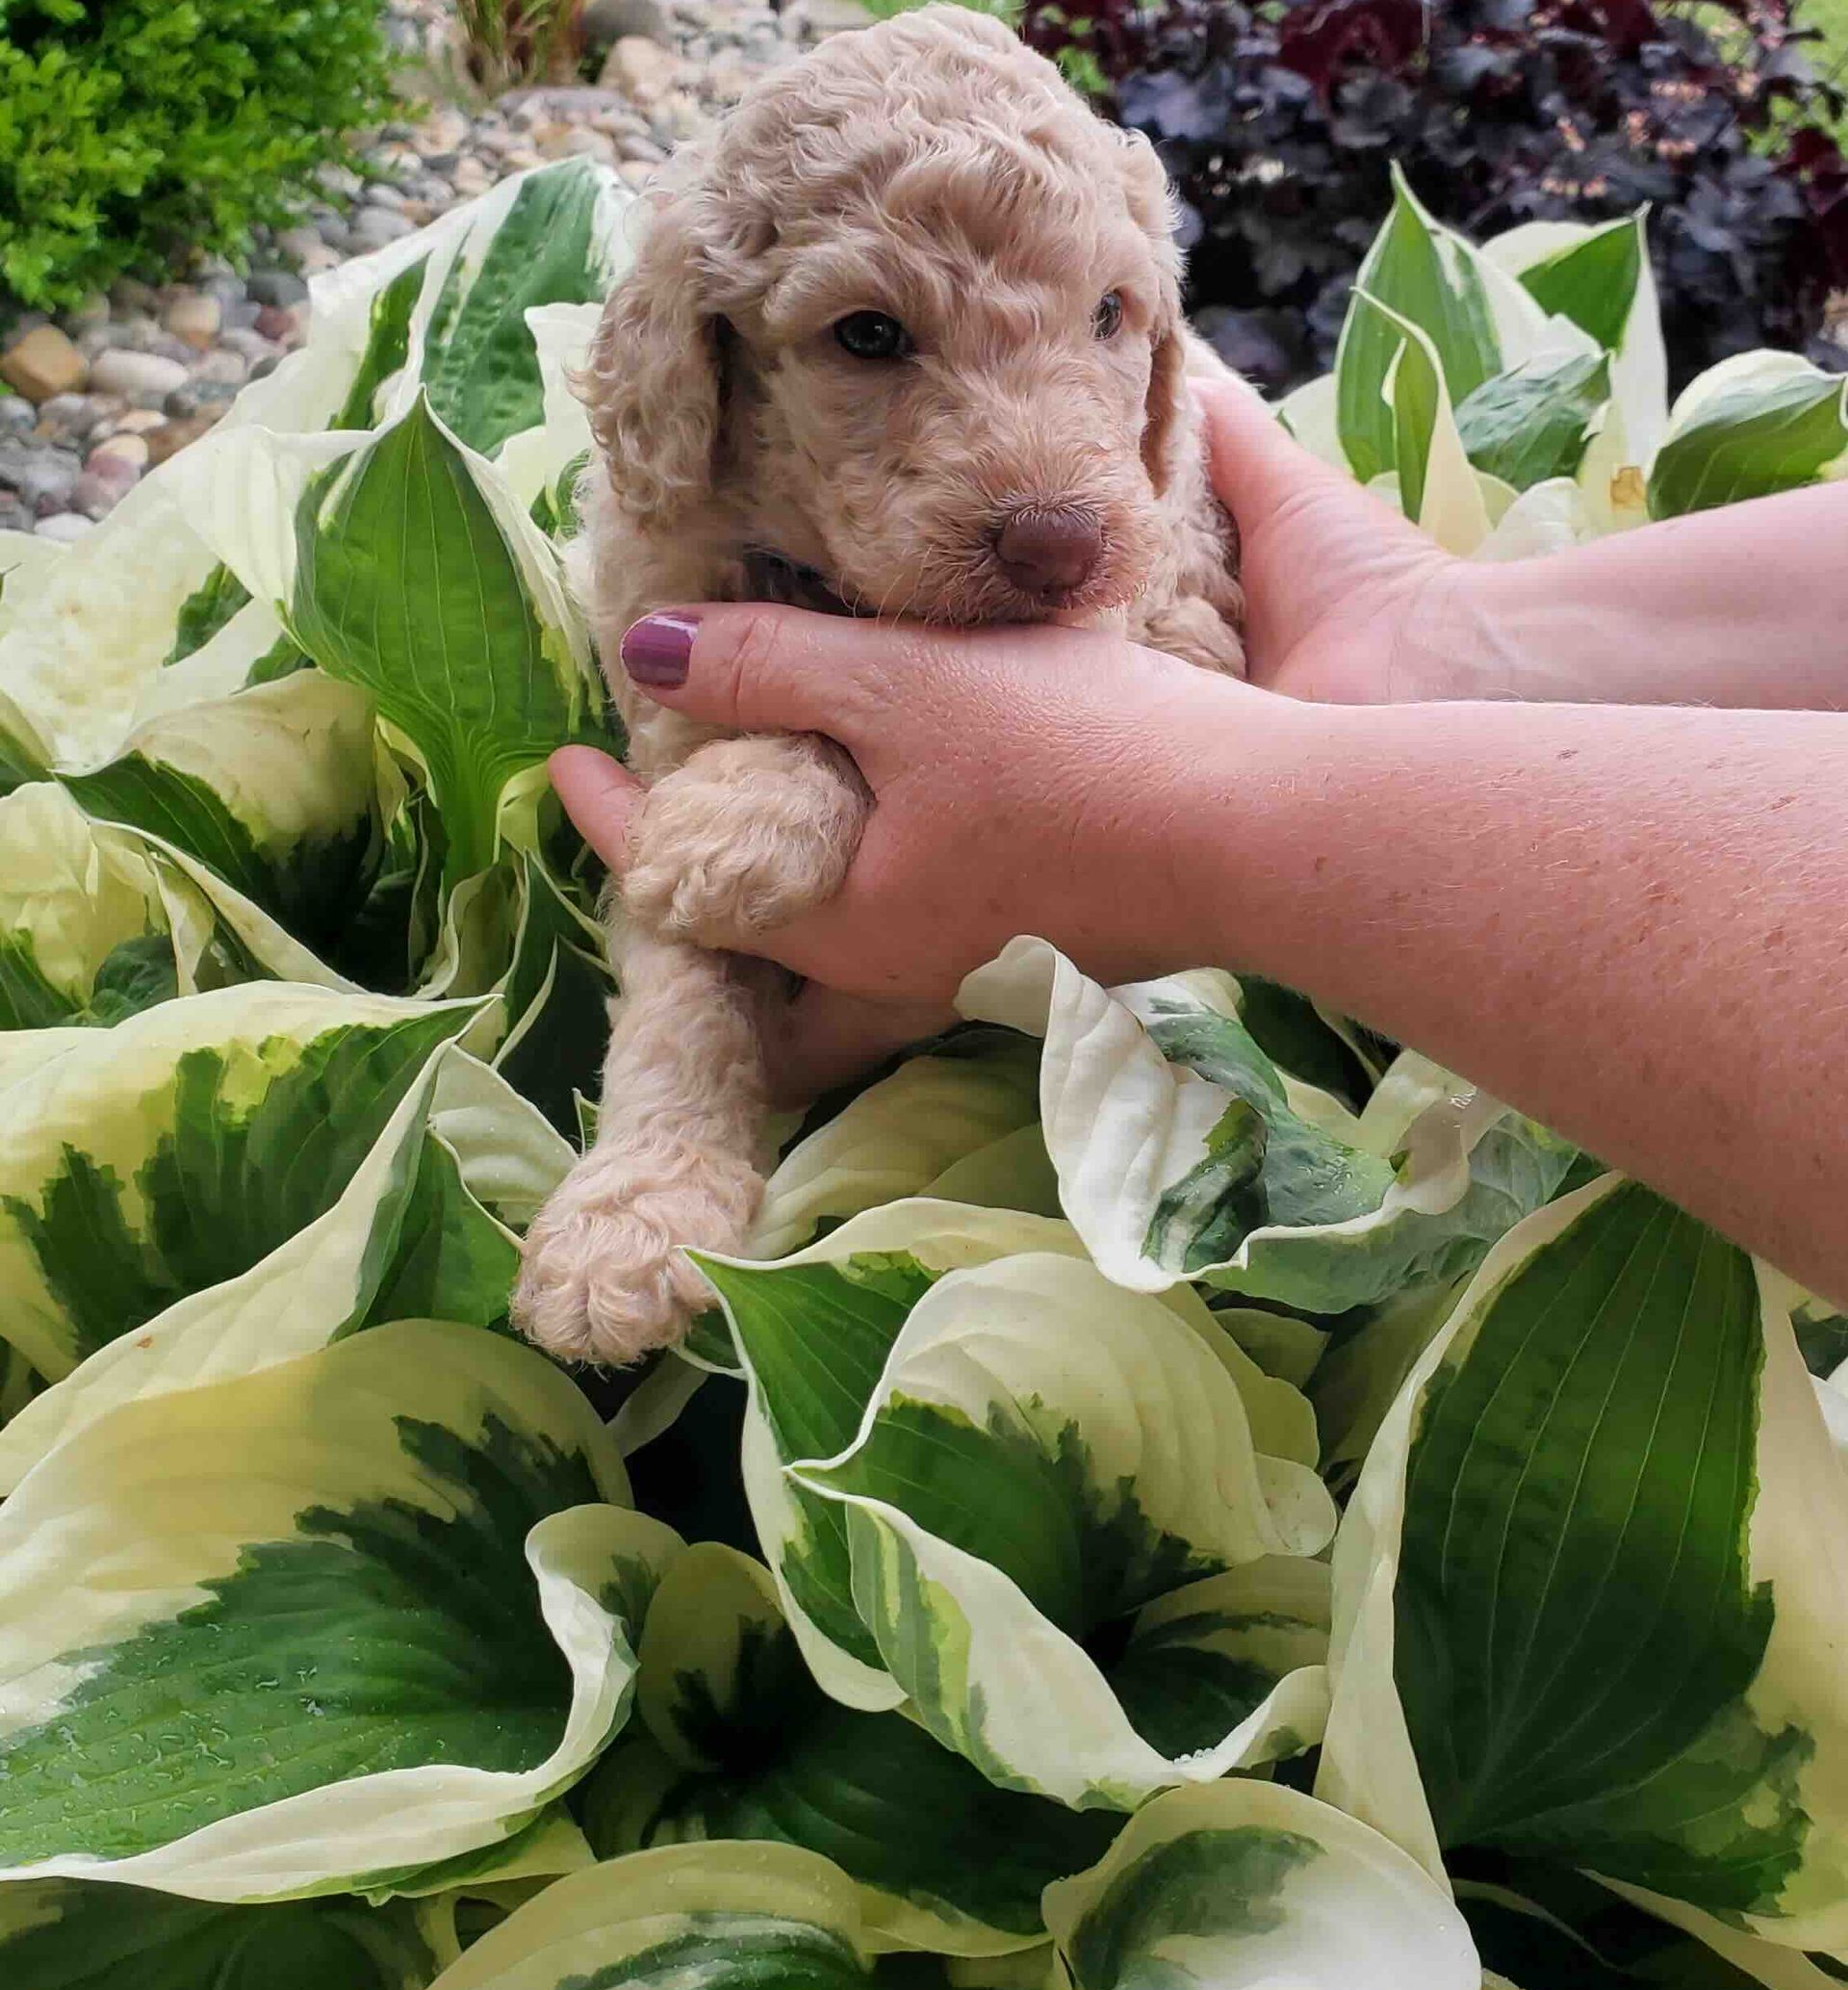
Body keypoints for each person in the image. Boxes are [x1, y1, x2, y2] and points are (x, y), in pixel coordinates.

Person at [551, 367, 1848, 1305]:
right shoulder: (693, 521)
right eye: (874, 335)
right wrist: (1423, 632)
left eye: (1107, 314)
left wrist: (1166, 801)